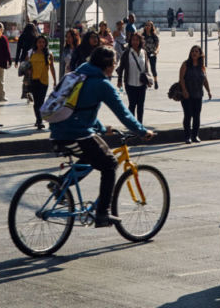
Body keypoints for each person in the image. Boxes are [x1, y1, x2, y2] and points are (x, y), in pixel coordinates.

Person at [49, 46, 156, 227]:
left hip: (59, 131)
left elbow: (81, 109)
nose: (115, 66)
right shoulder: (102, 84)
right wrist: (141, 131)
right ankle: (102, 214)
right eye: (114, 63)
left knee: (90, 156)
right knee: (110, 164)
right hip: (75, 133)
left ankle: (61, 185)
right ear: (107, 65)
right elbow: (124, 114)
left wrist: (99, 127)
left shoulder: (79, 75)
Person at [179, 44, 212, 143]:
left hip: (198, 94)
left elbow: (205, 80)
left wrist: (209, 91)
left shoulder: (201, 66)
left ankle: (195, 135)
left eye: (196, 51)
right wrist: (184, 90)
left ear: (200, 54)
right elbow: (181, 79)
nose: (194, 53)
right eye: (193, 51)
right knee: (188, 115)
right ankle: (187, 136)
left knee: (197, 115)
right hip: (187, 95)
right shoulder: (185, 64)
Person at [25, 33, 57, 129]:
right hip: (34, 80)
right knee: (36, 102)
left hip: (44, 81)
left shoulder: (49, 54)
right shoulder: (31, 53)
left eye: (43, 42)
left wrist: (55, 80)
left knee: (41, 102)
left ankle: (39, 120)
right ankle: (39, 121)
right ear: (36, 43)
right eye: (39, 42)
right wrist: (27, 78)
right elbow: (26, 66)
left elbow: (52, 68)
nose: (41, 44)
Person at [117, 32, 151, 123]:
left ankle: (140, 125)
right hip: (130, 84)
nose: (135, 42)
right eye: (133, 40)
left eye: (137, 40)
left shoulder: (144, 52)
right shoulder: (126, 53)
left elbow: (146, 68)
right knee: (132, 105)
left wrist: (148, 79)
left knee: (140, 106)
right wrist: (119, 80)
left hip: (142, 84)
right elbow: (121, 68)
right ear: (130, 41)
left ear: (140, 41)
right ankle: (132, 125)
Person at [142, 20, 161, 87]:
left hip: (152, 53)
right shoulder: (142, 35)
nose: (147, 26)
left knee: (153, 68)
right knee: (144, 68)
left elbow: (158, 45)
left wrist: (156, 51)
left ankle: (155, 81)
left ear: (151, 27)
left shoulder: (154, 36)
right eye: (146, 25)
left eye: (149, 25)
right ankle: (146, 82)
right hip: (144, 53)